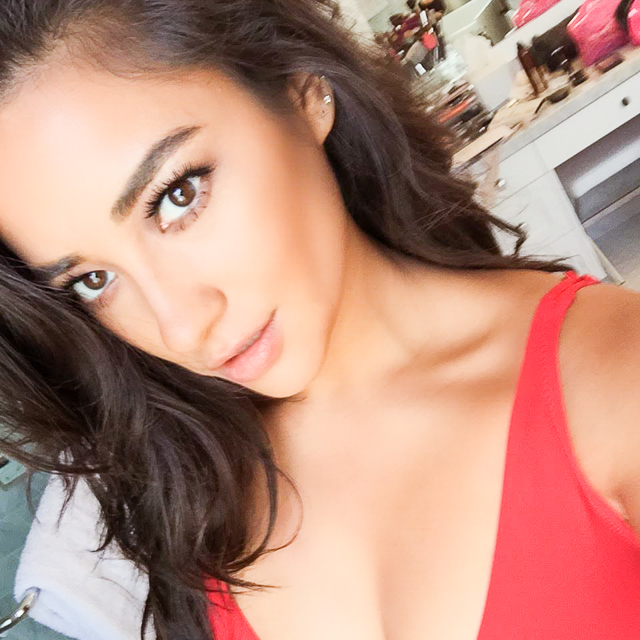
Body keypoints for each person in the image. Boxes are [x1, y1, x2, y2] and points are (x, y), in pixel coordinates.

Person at [0, 1, 640, 640]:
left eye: (178, 195)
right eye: (93, 280)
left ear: (302, 90)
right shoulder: (192, 500)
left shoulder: (614, 381)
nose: (180, 327)